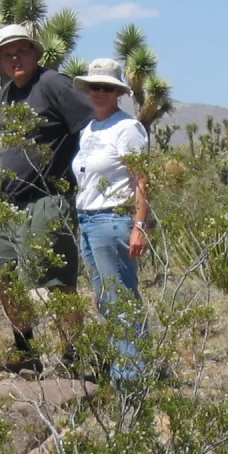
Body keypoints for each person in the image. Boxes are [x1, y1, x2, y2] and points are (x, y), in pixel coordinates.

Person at [0, 23, 93, 364]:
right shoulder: (7, 93)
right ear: (0, 60)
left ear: (36, 51)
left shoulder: (52, 84)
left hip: (48, 196)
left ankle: (74, 352)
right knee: (2, 274)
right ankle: (25, 349)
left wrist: (82, 179)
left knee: (57, 278)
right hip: (11, 202)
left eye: (22, 50)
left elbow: (90, 126)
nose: (15, 57)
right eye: (7, 53)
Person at [70, 58, 150, 373]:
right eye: (94, 86)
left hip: (112, 219)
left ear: (118, 92)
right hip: (87, 220)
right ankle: (127, 369)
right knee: (106, 300)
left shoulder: (127, 128)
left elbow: (143, 179)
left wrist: (139, 226)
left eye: (107, 87)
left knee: (120, 300)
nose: (99, 92)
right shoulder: (89, 129)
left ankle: (130, 379)